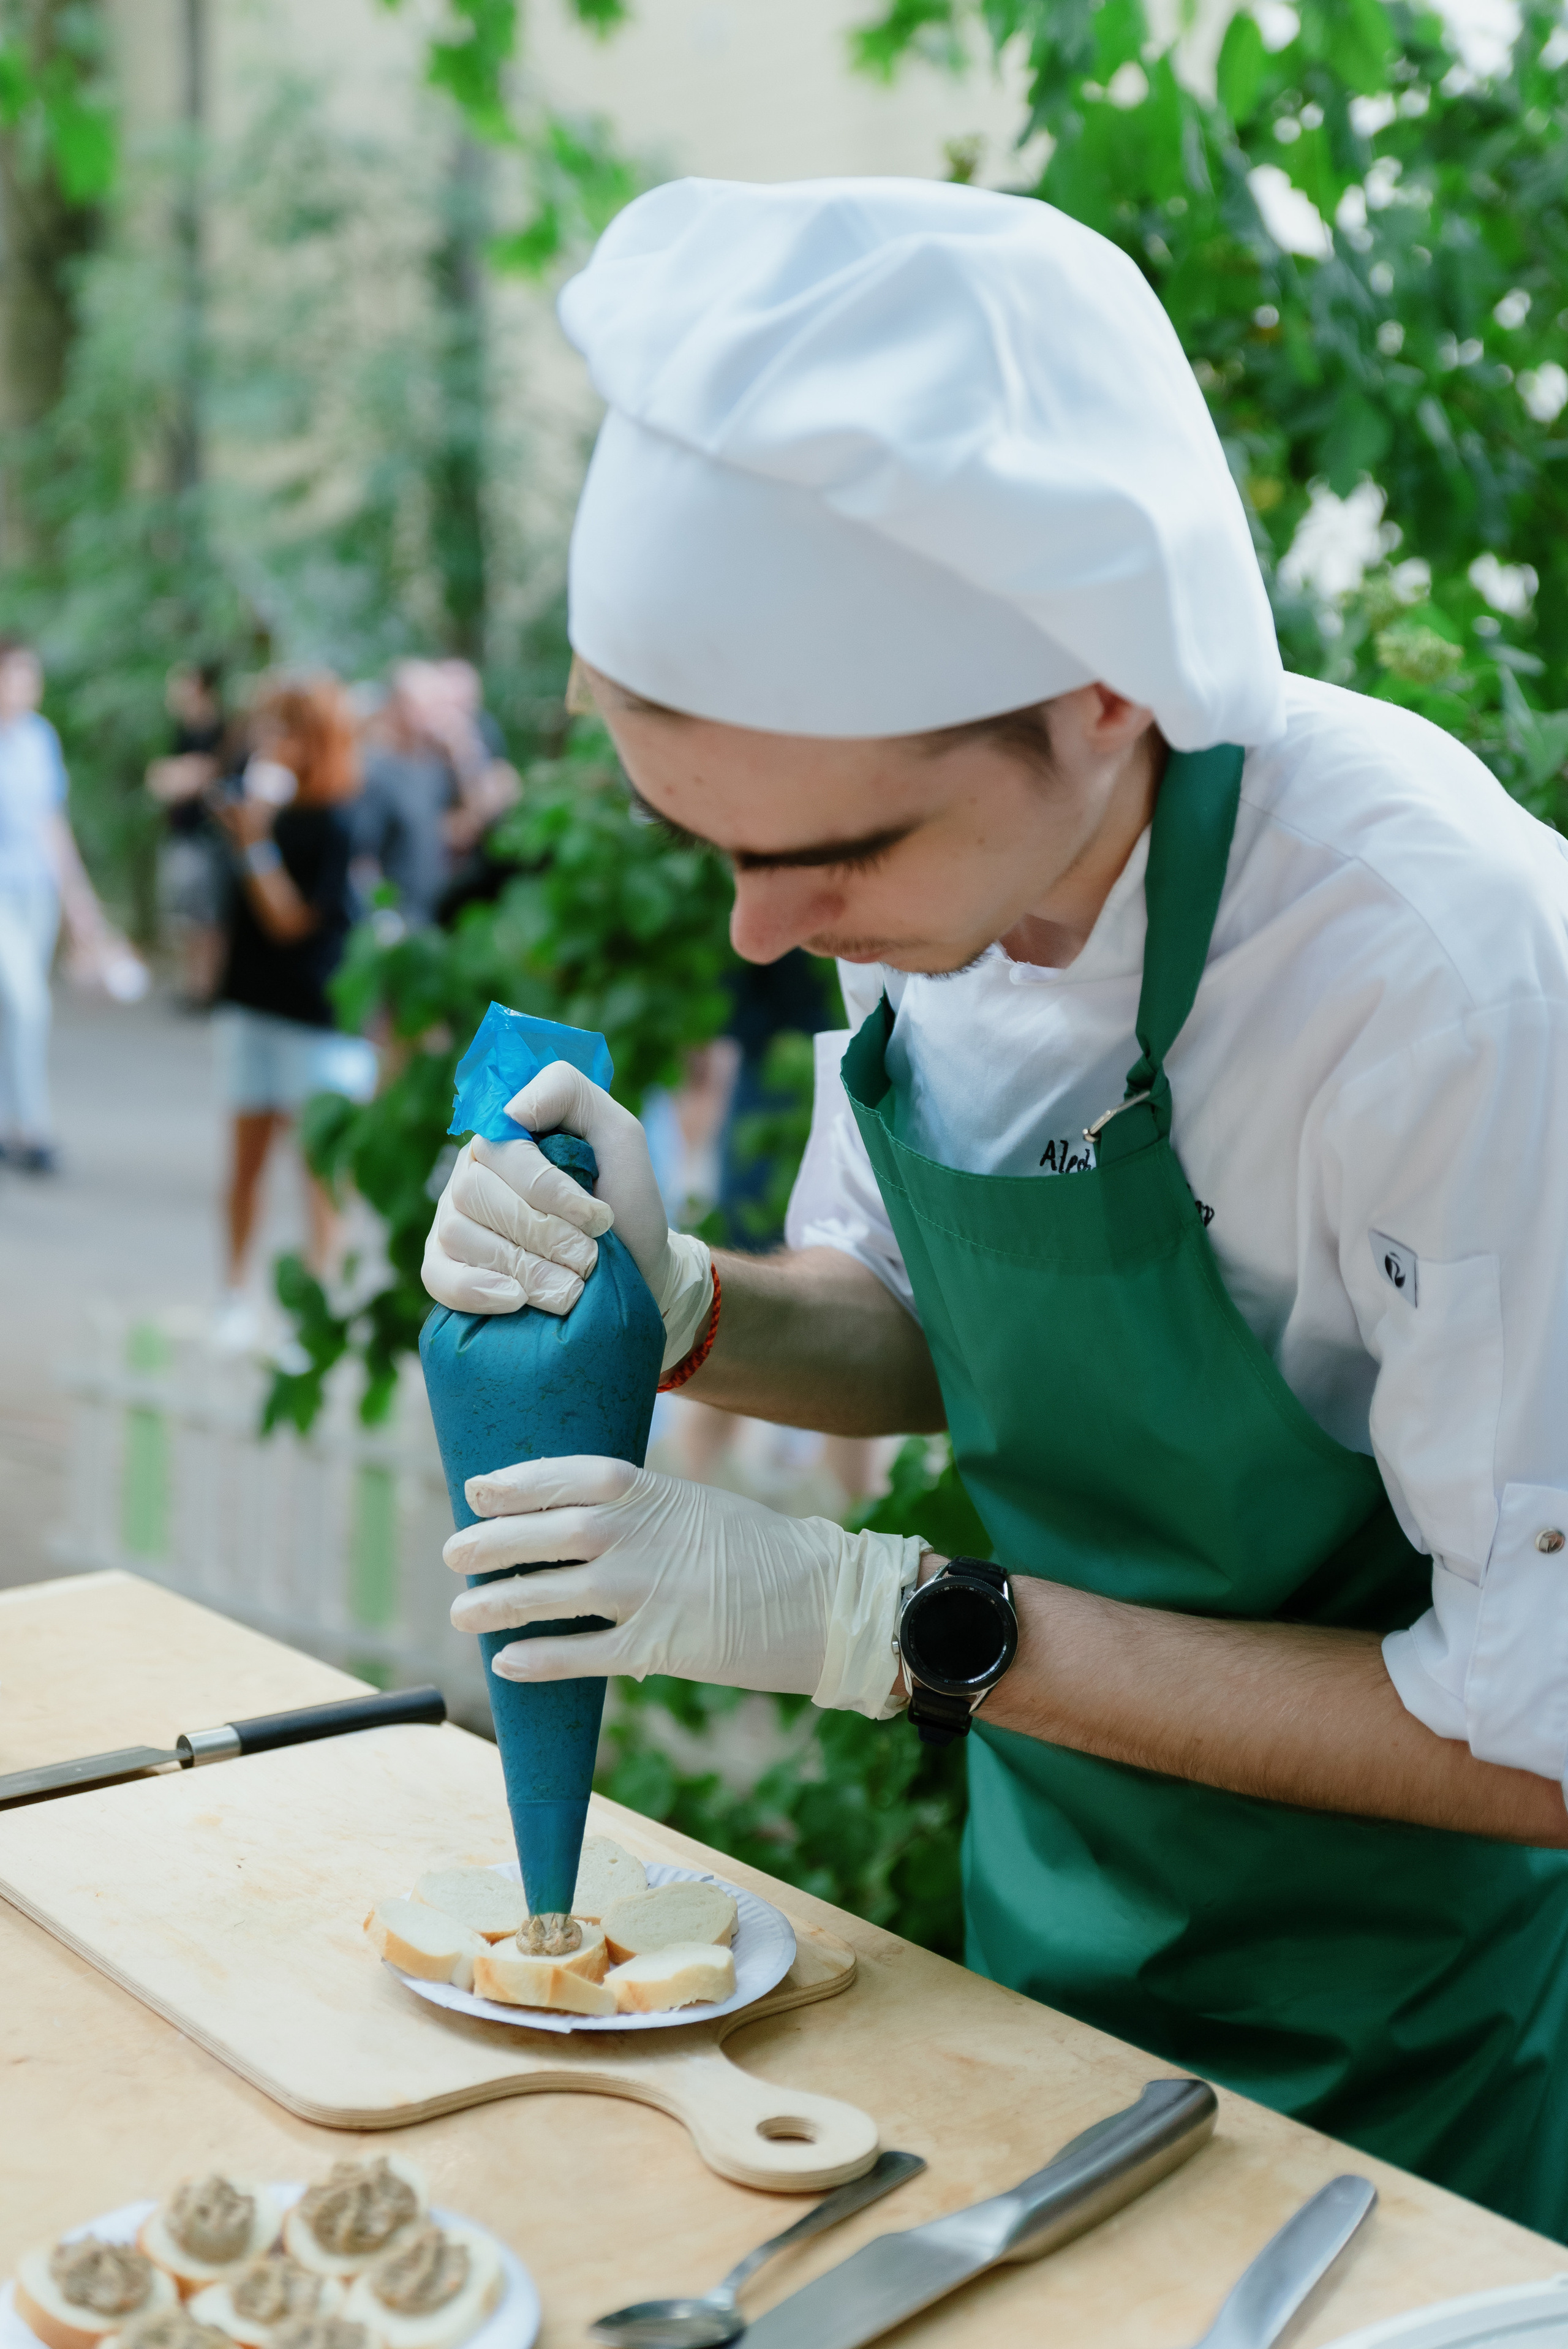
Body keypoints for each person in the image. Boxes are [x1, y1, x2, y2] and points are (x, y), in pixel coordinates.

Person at [420, 181, 1568, 2235]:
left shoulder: (1445, 986)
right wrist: (678, 1304)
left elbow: (1544, 1738)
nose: (772, 932)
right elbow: (934, 1335)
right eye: (715, 845)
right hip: (1043, 1986)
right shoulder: (933, 867)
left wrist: (903, 1624)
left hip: (1420, 2064)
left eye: (833, 858)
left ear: (1104, 693)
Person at [211, 673, 376, 1343]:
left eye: (287, 728)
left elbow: (289, 920)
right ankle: (233, 1296)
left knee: (320, 1173)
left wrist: (253, 842)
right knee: (246, 1162)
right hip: (251, 1005)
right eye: (267, 727)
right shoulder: (265, 809)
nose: (272, 742)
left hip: (319, 1018)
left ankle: (315, 1316)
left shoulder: (338, 820)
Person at [0, 635, 141, 1172]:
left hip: (35, 890)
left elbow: (50, 823)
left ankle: (9, 1120)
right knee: (26, 1003)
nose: (23, 687)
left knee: (14, 1010)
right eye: (14, 675)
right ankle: (31, 1128)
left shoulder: (39, 739)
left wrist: (79, 899)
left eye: (29, 677)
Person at [145, 664, 228, 1009]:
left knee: (208, 916)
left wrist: (182, 776)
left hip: (207, 836)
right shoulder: (183, 730)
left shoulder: (219, 730)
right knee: (188, 915)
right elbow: (162, 778)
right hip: (181, 833)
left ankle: (209, 989)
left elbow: (205, 775)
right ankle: (194, 987)